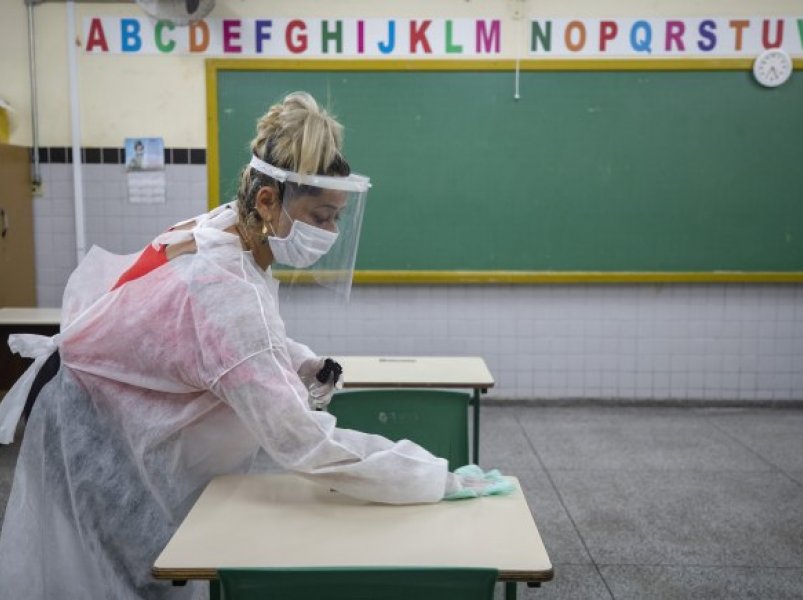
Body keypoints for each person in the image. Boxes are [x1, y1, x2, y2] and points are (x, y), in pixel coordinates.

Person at [0, 92, 511, 600]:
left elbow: (229, 332)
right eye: (320, 216)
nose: (330, 232)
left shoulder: (228, 227)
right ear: (268, 200)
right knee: (144, 575)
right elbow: (307, 444)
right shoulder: (228, 287)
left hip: (100, 411)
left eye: (337, 217)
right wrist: (433, 478)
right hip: (99, 440)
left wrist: (298, 361)